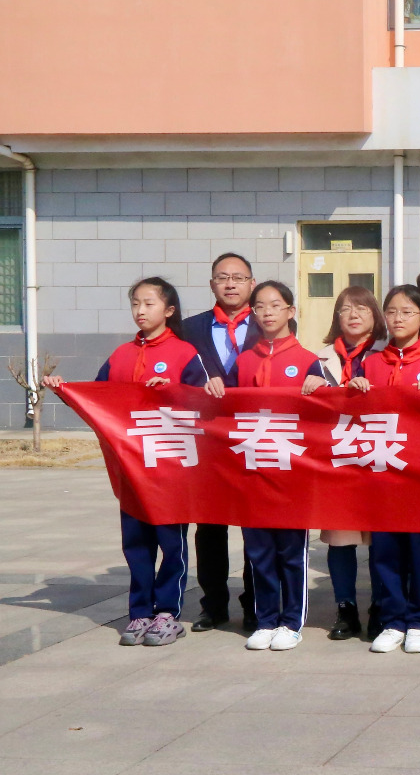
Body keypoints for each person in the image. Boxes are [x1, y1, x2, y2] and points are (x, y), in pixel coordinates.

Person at [45, 277, 212, 648]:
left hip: (169, 469)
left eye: (149, 303)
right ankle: (140, 612)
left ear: (169, 310)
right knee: (136, 544)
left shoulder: (184, 353)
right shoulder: (120, 355)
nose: (140, 310)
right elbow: (97, 399)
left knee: (171, 544)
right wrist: (64, 390)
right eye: (135, 303)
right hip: (130, 468)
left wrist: (172, 391)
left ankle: (167, 613)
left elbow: (204, 404)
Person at [230, 281, 329, 652]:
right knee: (258, 551)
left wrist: (322, 386)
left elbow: (328, 414)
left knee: (290, 551)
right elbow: (226, 413)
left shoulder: (308, 361)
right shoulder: (243, 361)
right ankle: (266, 619)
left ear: (291, 311)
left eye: (275, 305)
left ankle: (291, 622)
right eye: (260, 306)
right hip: (252, 470)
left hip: (292, 474)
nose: (267, 312)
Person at [360, 285, 420, 655]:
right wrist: (353, 388)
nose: (398, 318)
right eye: (391, 311)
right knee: (384, 551)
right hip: (381, 472)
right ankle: (392, 620)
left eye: (407, 312)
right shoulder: (370, 363)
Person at [181, 252, 260, 634]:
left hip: (254, 437)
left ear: (251, 284)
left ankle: (255, 604)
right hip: (208, 440)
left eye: (238, 277)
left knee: (255, 526)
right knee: (209, 526)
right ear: (212, 283)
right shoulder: (189, 328)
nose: (230, 284)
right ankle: (212, 605)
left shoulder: (270, 323)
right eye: (223, 277)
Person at [305, 285, 384, 641]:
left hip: (381, 456)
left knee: (382, 539)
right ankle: (345, 607)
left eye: (362, 308)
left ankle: (380, 605)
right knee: (340, 538)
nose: (353, 315)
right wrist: (310, 387)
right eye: (345, 309)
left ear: (375, 315)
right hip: (338, 459)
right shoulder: (319, 360)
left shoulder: (386, 354)